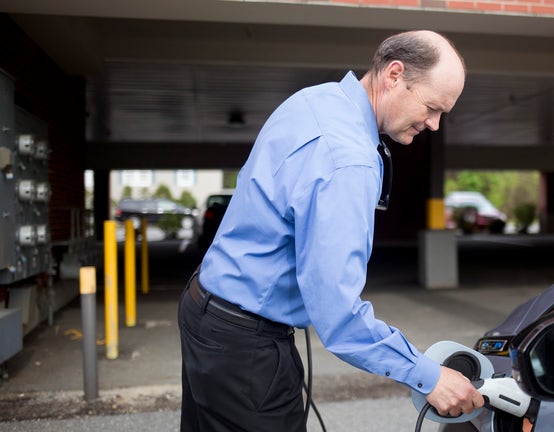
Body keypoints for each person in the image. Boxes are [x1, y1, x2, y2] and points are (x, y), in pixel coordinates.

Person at [178, 29, 483, 431]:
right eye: (431, 107)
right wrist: (429, 376)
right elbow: (338, 315)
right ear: (394, 74)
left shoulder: (314, 100)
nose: (435, 124)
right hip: (245, 347)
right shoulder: (348, 160)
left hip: (205, 310)